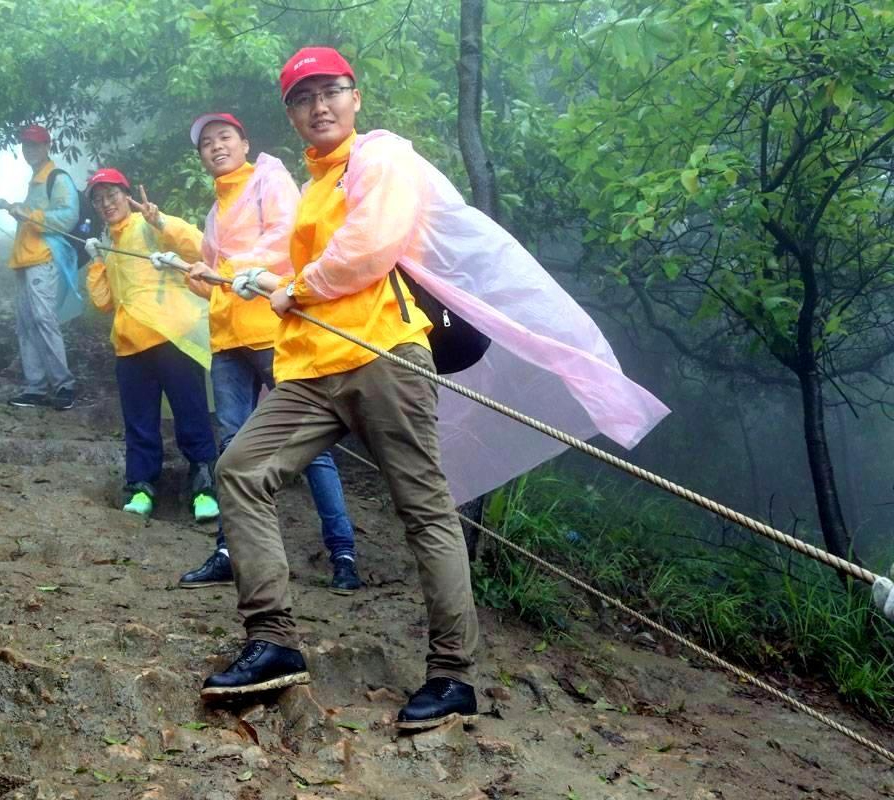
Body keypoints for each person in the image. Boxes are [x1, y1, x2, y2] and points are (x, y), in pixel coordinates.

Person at [201, 47, 669, 731]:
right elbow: (289, 259)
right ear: (291, 115)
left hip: (383, 353)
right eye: (304, 98)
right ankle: (273, 643)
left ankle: (453, 676)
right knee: (241, 471)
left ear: (355, 97)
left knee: (424, 508)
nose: (319, 106)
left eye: (331, 90)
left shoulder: (381, 157)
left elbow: (369, 244)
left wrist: (293, 288)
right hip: (309, 370)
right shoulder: (314, 189)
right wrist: (232, 272)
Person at [178, 112, 361, 595]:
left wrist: (230, 267)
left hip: (274, 333)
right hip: (227, 341)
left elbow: (285, 240)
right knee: (231, 445)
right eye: (206, 144)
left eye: (224, 138)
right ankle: (228, 550)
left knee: (309, 443)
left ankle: (342, 551)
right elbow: (221, 279)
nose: (216, 147)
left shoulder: (270, 179)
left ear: (244, 142)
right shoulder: (215, 213)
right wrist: (198, 278)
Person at [82, 169, 221, 523]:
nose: (106, 203)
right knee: (139, 421)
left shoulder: (148, 225)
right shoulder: (108, 244)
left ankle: (204, 486)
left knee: (191, 412)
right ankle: (141, 486)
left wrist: (159, 221)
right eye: (99, 199)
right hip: (130, 345)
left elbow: (199, 247)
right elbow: (104, 302)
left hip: (171, 335)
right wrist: (98, 261)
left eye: (111, 194)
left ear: (126, 194)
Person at [0, 124, 80, 410]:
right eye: (26, 145)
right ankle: (35, 387)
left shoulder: (57, 178)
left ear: (46, 146)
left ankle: (64, 385)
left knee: (43, 319)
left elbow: (67, 216)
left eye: (35, 145)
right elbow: (31, 214)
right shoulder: (36, 181)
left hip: (44, 258)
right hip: (26, 259)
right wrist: (9, 205)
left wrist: (28, 214)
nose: (30, 150)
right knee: (26, 323)